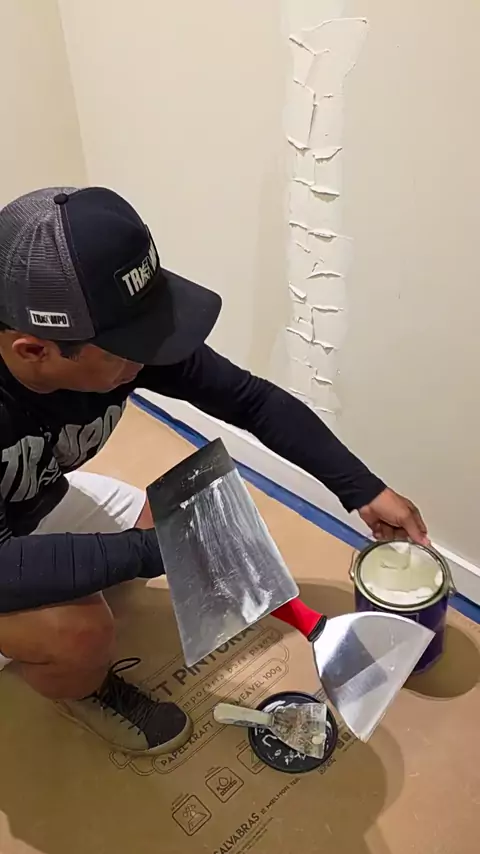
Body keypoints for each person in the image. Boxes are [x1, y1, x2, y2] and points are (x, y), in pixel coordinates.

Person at [0, 186, 428, 756]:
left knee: (183, 506)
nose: (147, 360)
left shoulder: (105, 347)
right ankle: (83, 687)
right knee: (81, 633)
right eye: (128, 349)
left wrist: (362, 487)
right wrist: (152, 552)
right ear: (33, 351)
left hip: (33, 500)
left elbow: (248, 399)